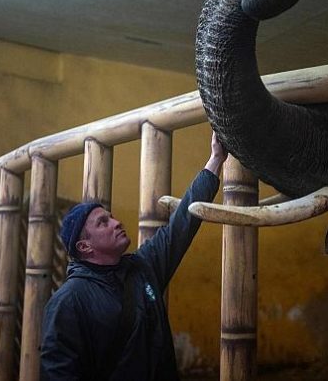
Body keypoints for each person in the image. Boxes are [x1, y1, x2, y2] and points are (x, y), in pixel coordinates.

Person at [40, 132, 228, 380]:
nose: (116, 223)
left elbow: (182, 224)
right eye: (103, 222)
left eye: (112, 216)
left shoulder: (143, 267)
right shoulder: (68, 302)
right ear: (84, 246)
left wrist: (215, 159)